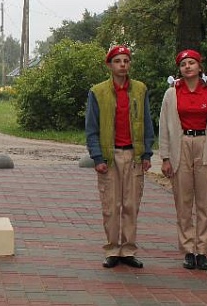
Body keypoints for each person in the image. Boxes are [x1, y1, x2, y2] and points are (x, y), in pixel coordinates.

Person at [85, 45, 154, 269]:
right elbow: (91, 128)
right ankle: (112, 249)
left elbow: (148, 123)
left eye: (126, 60)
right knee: (111, 205)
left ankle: (129, 250)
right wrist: (97, 157)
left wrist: (146, 153)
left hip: (133, 155)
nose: (122, 64)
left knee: (131, 204)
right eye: (117, 61)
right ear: (109, 65)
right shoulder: (98, 92)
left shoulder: (140, 89)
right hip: (110, 156)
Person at [159, 49, 207, 271]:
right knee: (183, 201)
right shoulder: (172, 93)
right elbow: (164, 128)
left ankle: (203, 250)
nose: (187, 67)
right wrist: (166, 157)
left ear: (200, 66)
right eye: (183, 64)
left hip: (206, 146)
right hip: (181, 145)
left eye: (191, 63)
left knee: (204, 202)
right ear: (179, 69)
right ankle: (188, 250)